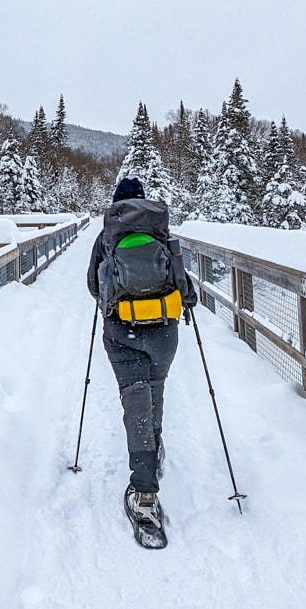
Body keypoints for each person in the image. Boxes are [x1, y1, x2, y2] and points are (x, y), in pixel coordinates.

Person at [87, 176, 198, 546]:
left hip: (123, 332)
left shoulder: (107, 237)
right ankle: (155, 447)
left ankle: (145, 495)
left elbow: (93, 285)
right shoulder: (163, 234)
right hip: (164, 332)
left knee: (136, 400)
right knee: (155, 390)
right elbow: (185, 284)